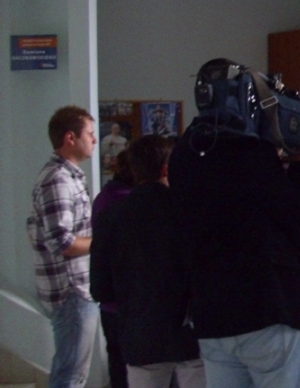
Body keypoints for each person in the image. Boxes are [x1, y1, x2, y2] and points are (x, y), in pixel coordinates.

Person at [167, 58, 300, 388]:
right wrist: (298, 166)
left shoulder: (183, 154)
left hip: (212, 314)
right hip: (268, 308)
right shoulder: (254, 154)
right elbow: (293, 219)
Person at [90, 135, 205, 388]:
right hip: (190, 333)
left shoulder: (111, 217)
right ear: (167, 169)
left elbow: (100, 289)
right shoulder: (191, 211)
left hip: (141, 334)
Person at [27, 105, 100, 388]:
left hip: (77, 289)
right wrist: (105, 242)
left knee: (73, 372)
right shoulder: (57, 180)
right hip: (71, 291)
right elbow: (63, 242)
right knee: (71, 375)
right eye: (90, 133)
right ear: (71, 137)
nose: (95, 139)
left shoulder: (68, 177)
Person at [89, 149, 136, 388]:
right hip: (131, 301)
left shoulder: (104, 198)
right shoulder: (131, 202)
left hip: (109, 300)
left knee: (118, 365)